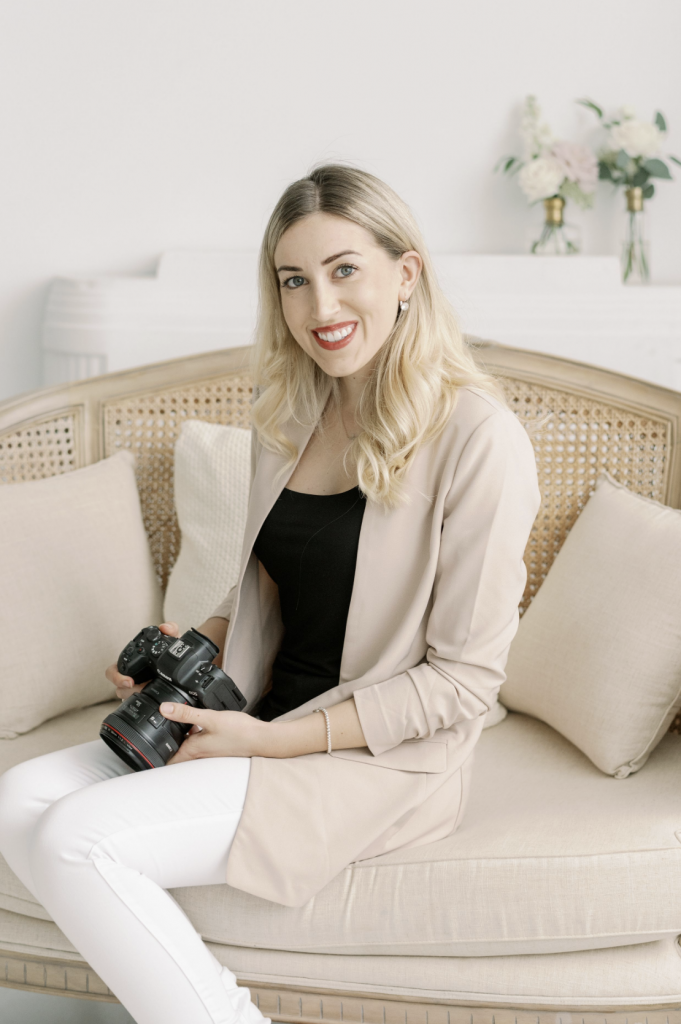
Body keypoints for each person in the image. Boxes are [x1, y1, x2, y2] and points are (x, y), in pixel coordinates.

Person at [0, 165, 541, 1024]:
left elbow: (463, 681)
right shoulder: (288, 413)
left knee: (76, 837)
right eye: (294, 280)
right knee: (17, 801)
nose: (320, 305)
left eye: (344, 269)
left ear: (406, 274)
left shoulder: (479, 438)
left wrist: (269, 743)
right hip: (253, 713)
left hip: (371, 760)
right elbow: (269, 583)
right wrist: (194, 649)